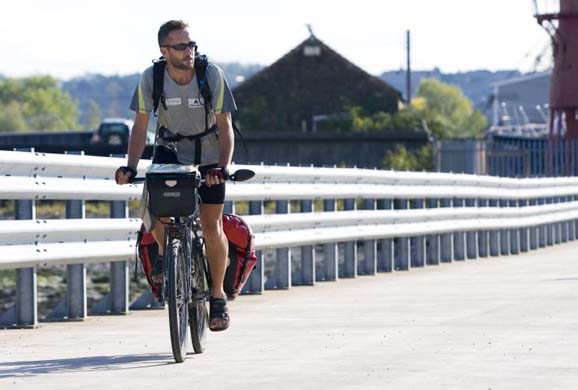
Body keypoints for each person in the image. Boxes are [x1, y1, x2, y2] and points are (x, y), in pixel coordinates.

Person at [115, 20, 236, 332]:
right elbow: (140, 127)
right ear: (164, 51)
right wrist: (130, 167)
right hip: (171, 148)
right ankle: (166, 250)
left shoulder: (211, 75)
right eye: (181, 46)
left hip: (209, 151)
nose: (189, 51)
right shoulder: (152, 78)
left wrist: (221, 168)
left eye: (191, 44)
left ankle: (218, 295)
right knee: (152, 205)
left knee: (211, 225)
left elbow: (225, 128)